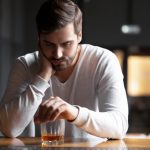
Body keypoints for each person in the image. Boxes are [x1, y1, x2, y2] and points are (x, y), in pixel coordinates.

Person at [0, 0, 128, 139]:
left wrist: (72, 113)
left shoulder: (103, 60)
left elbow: (119, 126)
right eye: (48, 44)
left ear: (79, 35)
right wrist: (43, 76)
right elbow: (8, 129)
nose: (57, 54)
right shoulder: (25, 65)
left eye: (66, 44)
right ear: (39, 38)